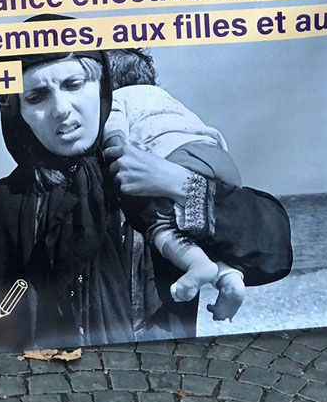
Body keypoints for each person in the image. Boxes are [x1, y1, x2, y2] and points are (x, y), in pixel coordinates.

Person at [0, 34, 292, 355]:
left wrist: (177, 183)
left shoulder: (149, 176)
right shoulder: (3, 204)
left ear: (103, 90)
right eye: (37, 96)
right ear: (18, 113)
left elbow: (272, 253)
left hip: (157, 389)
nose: (60, 109)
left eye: (74, 84)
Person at [103, 49, 290, 320]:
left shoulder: (117, 99)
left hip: (173, 158)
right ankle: (229, 277)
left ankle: (197, 264)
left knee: (161, 224)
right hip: (218, 159)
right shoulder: (168, 100)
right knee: (200, 230)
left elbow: (115, 131)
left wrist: (121, 150)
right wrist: (197, 186)